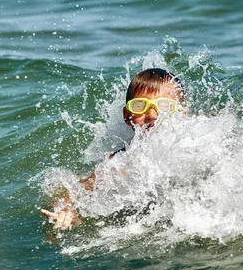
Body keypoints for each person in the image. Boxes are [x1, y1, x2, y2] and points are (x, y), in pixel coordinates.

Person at [40, 68, 184, 230]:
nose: (152, 114)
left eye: (164, 106)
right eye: (139, 106)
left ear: (183, 113)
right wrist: (65, 210)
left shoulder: (202, 143)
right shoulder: (121, 161)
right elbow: (77, 192)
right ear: (127, 116)